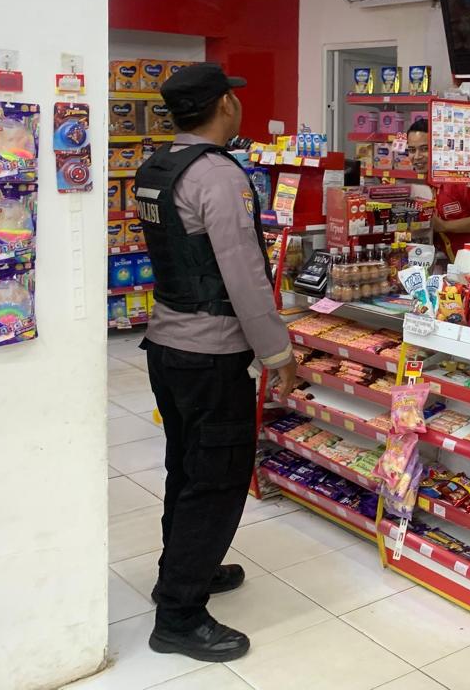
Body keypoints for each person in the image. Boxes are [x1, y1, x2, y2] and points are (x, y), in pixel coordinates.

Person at [134, 62, 297, 663]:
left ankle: (182, 572)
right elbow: (245, 276)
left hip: (168, 344)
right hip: (212, 353)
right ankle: (179, 615)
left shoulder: (157, 167)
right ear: (225, 104)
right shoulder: (220, 176)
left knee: (186, 468)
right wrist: (278, 350)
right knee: (218, 480)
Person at [406, 117, 470, 260]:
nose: (417, 156)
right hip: (460, 266)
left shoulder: (460, 178)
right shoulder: (426, 186)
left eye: (424, 149)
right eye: (412, 150)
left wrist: (444, 226)